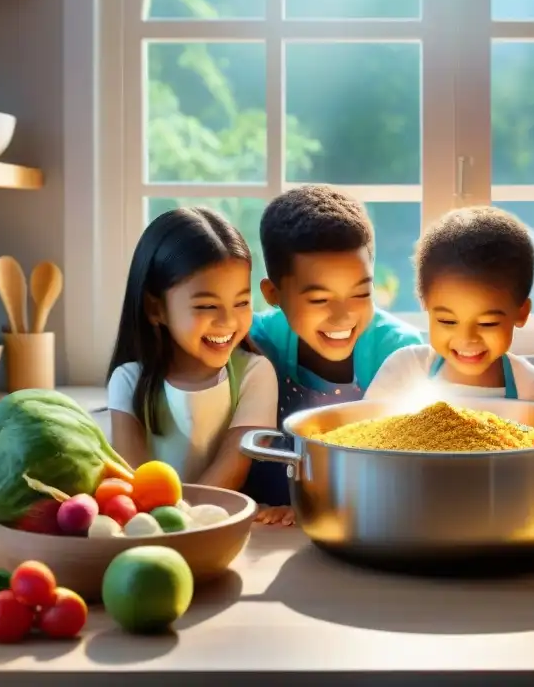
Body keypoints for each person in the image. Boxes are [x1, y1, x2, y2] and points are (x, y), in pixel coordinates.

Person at [248, 185, 424, 521]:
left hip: (366, 522)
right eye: (319, 300)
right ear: (273, 293)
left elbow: (401, 473)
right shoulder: (258, 340)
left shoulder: (400, 352)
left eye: (361, 294)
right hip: (265, 524)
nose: (343, 316)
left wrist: (312, 510)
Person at [106, 207, 279, 513]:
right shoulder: (128, 381)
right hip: (151, 523)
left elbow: (233, 464)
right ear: (155, 309)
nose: (228, 321)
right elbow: (136, 479)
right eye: (207, 306)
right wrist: (170, 520)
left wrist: (185, 518)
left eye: (241, 302)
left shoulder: (256, 373)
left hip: (217, 520)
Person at [366, 206, 534, 403]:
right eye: (447, 321)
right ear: (425, 304)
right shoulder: (405, 371)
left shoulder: (533, 387)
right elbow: (364, 428)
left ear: (521, 313)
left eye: (487, 323)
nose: (467, 339)